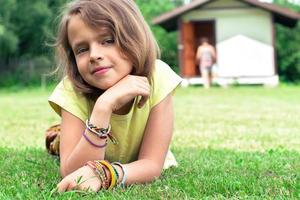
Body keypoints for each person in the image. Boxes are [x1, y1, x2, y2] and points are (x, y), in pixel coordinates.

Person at [47, 0, 182, 193]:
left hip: (135, 160)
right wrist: (104, 106)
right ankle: (58, 137)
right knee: (60, 143)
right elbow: (74, 173)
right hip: (87, 143)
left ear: (135, 38)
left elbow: (152, 165)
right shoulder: (71, 89)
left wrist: (107, 175)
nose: (94, 55)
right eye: (82, 49)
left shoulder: (157, 76)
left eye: (108, 40)